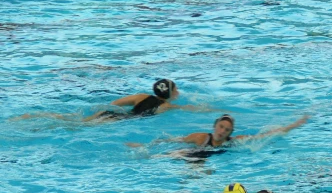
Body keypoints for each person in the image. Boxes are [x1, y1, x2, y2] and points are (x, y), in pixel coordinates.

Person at [126, 114, 309, 157]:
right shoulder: (200, 137)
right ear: (214, 126)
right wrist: (150, 145)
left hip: (206, 158)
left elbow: (265, 135)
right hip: (192, 153)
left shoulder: (234, 142)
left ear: (231, 133)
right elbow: (171, 140)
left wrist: (294, 125)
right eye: (221, 127)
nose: (222, 131)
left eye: (227, 130)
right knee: (162, 156)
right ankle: (143, 152)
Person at [15, 79, 199, 121]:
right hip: (113, 121)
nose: (178, 91)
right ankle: (39, 121)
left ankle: (35, 116)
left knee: (74, 120)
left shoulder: (141, 97)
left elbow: (114, 104)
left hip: (109, 114)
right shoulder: (167, 106)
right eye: (176, 89)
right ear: (170, 93)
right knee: (73, 126)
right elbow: (190, 109)